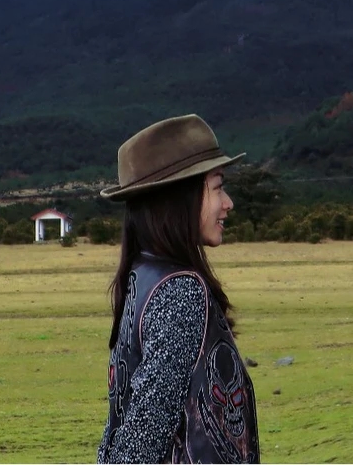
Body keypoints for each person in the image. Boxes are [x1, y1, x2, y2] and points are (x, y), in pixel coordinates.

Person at [96, 113, 261, 465]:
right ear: (181, 198)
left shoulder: (142, 276)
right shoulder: (180, 291)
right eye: (217, 187)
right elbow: (143, 435)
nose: (228, 202)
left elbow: (120, 426)